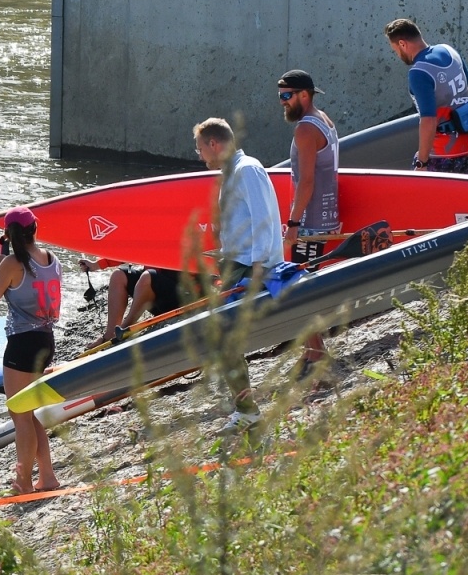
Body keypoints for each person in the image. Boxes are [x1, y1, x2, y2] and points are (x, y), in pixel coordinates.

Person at [193, 118, 283, 434]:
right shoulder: (233, 174)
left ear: (214, 144)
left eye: (201, 149)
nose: (201, 156)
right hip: (235, 266)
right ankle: (244, 408)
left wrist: (259, 269)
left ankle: (248, 411)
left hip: (250, 269)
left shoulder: (247, 171)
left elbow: (265, 220)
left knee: (223, 338)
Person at [0, 206, 62, 494]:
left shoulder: (12, 262)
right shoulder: (51, 259)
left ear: (7, 234)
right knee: (28, 415)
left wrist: (0, 257)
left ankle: (24, 482)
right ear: (35, 228)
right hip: (45, 338)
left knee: (20, 416)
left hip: (22, 341)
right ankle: (48, 476)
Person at [277, 69, 339, 380]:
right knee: (306, 283)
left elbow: (307, 182)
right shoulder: (324, 119)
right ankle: (312, 351)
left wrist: (293, 223)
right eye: (280, 97)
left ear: (304, 95)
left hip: (310, 221)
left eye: (287, 96)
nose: (283, 103)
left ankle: (318, 355)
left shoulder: (305, 129)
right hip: (325, 216)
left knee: (299, 287)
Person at [384, 18, 468, 172]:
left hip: (443, 153)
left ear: (402, 44)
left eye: (395, 50)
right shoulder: (449, 50)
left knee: (417, 193)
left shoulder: (418, 72)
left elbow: (429, 120)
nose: (398, 55)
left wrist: (422, 162)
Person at [81, 261, 185, 351]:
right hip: (157, 294)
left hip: (184, 297)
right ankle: (109, 334)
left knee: (147, 277)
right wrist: (97, 264)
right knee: (118, 275)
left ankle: (124, 330)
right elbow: (133, 247)